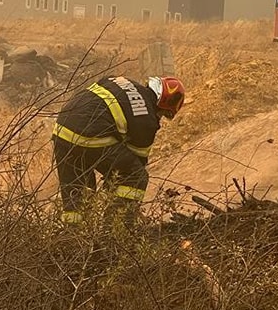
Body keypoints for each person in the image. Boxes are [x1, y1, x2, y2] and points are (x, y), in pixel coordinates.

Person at [52, 75, 185, 224]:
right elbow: (135, 164)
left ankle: (71, 237)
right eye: (163, 114)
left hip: (62, 130)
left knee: (78, 194)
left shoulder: (120, 80)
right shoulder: (147, 119)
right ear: (161, 105)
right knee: (135, 176)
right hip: (88, 135)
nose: (160, 118)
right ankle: (116, 229)